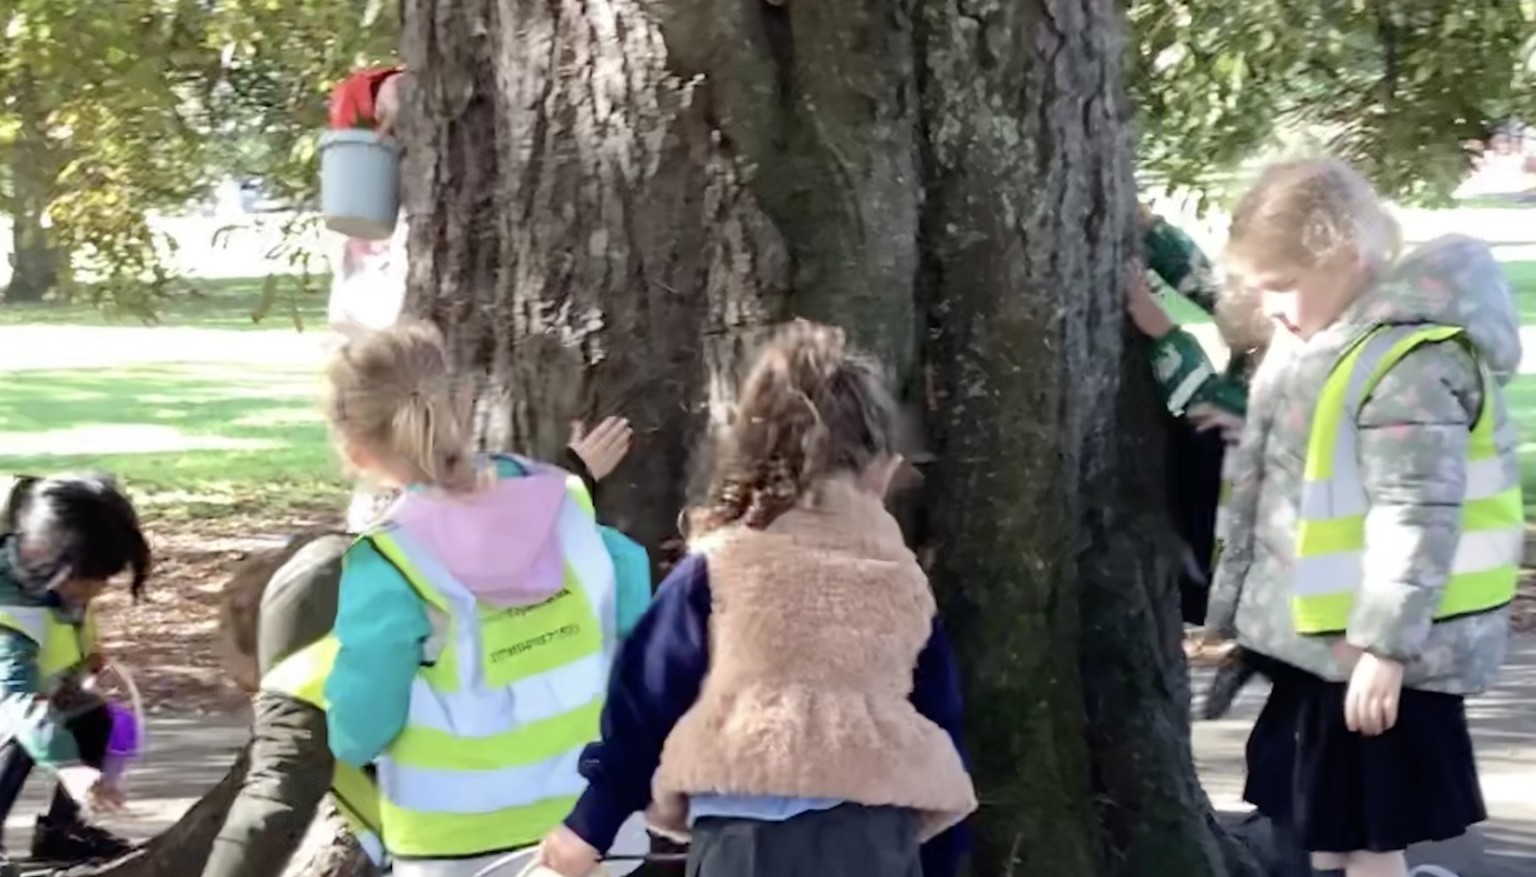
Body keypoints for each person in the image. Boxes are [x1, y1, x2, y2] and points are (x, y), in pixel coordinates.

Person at [537, 321, 977, 877]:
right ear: (882, 471)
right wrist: (941, 857)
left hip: (745, 841)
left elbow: (644, 703)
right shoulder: (902, 582)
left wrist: (590, 828)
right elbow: (941, 719)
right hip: (874, 840)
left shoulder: (719, 568)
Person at [1205, 158, 1521, 877]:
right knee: (1334, 826)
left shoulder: (1409, 362)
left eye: (1282, 286)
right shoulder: (1326, 344)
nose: (1275, 308)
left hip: (1385, 656)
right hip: (1334, 649)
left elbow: (1418, 514)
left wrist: (1385, 646)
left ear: (1344, 255)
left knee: (1370, 836)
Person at [199, 415, 637, 877]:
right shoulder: (425, 591)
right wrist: (571, 476)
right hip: (592, 826)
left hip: (477, 849)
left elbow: (267, 814)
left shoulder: (303, 683)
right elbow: (490, 534)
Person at [319, 321, 651, 877]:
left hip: (457, 845)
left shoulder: (389, 564)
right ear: (461, 404)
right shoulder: (567, 505)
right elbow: (635, 611)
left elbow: (362, 724)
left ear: (357, 452)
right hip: (596, 829)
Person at [0, 474, 149, 871]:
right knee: (18, 737)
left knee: (90, 718)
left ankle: (60, 833)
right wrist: (70, 768)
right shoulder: (9, 605)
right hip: (11, 698)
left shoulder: (53, 571)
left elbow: (61, 625)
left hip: (29, 686)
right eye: (90, 582)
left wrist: (83, 660)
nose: (97, 591)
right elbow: (16, 699)